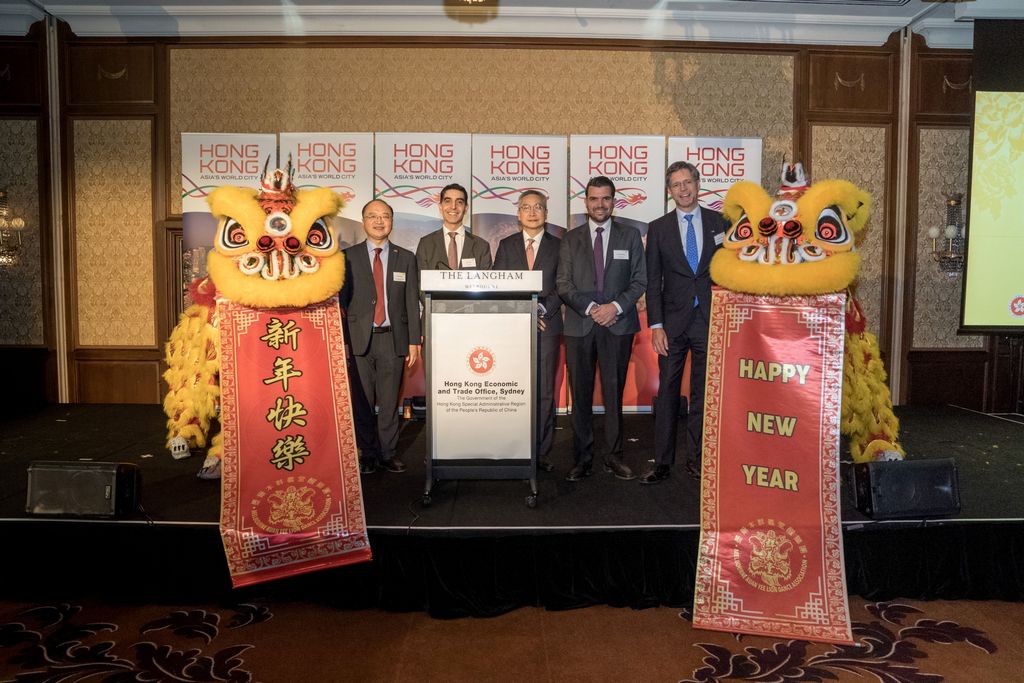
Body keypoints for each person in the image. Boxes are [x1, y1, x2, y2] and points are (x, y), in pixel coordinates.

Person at [641, 161, 727, 484]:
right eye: (676, 185)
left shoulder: (720, 222)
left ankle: (698, 459)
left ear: (698, 184)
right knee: (668, 393)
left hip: (708, 319)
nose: (683, 189)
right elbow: (653, 280)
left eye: (687, 182)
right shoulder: (658, 227)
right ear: (669, 191)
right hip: (672, 325)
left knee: (703, 393)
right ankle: (662, 462)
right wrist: (656, 325)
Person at [556, 176, 646, 482]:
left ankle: (613, 456)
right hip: (580, 326)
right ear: (586, 202)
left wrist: (615, 307)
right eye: (594, 199)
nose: (600, 204)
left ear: (614, 201)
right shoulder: (570, 239)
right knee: (580, 395)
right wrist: (593, 309)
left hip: (618, 326)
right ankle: (583, 458)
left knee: (613, 393)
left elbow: (639, 280)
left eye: (605, 198)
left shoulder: (630, 236)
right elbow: (563, 284)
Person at [340, 199, 421, 474]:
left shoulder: (406, 257)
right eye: (373, 216)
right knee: (361, 402)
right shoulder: (346, 257)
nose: (379, 221)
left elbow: (412, 302)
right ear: (363, 221)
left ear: (392, 222)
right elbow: (341, 302)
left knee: (389, 402)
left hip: (393, 339)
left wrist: (414, 341)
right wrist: (341, 342)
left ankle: (387, 452)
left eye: (385, 216)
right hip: (359, 339)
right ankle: (367, 453)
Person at [493, 190, 563, 473]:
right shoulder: (506, 245)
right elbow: (498, 283)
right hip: (513, 328)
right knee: (515, 390)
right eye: (526, 207)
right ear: (518, 213)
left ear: (546, 213)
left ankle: (541, 451)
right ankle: (517, 447)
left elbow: (565, 284)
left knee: (545, 390)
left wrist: (541, 308)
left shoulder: (561, 245)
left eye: (538, 207)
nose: (532, 212)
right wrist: (524, 310)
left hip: (547, 324)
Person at [415, 183, 492, 271]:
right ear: (440, 207)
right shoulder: (426, 244)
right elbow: (420, 282)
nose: (453, 206)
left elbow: (486, 283)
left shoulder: (481, 246)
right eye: (448, 201)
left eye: (459, 202)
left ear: (466, 208)